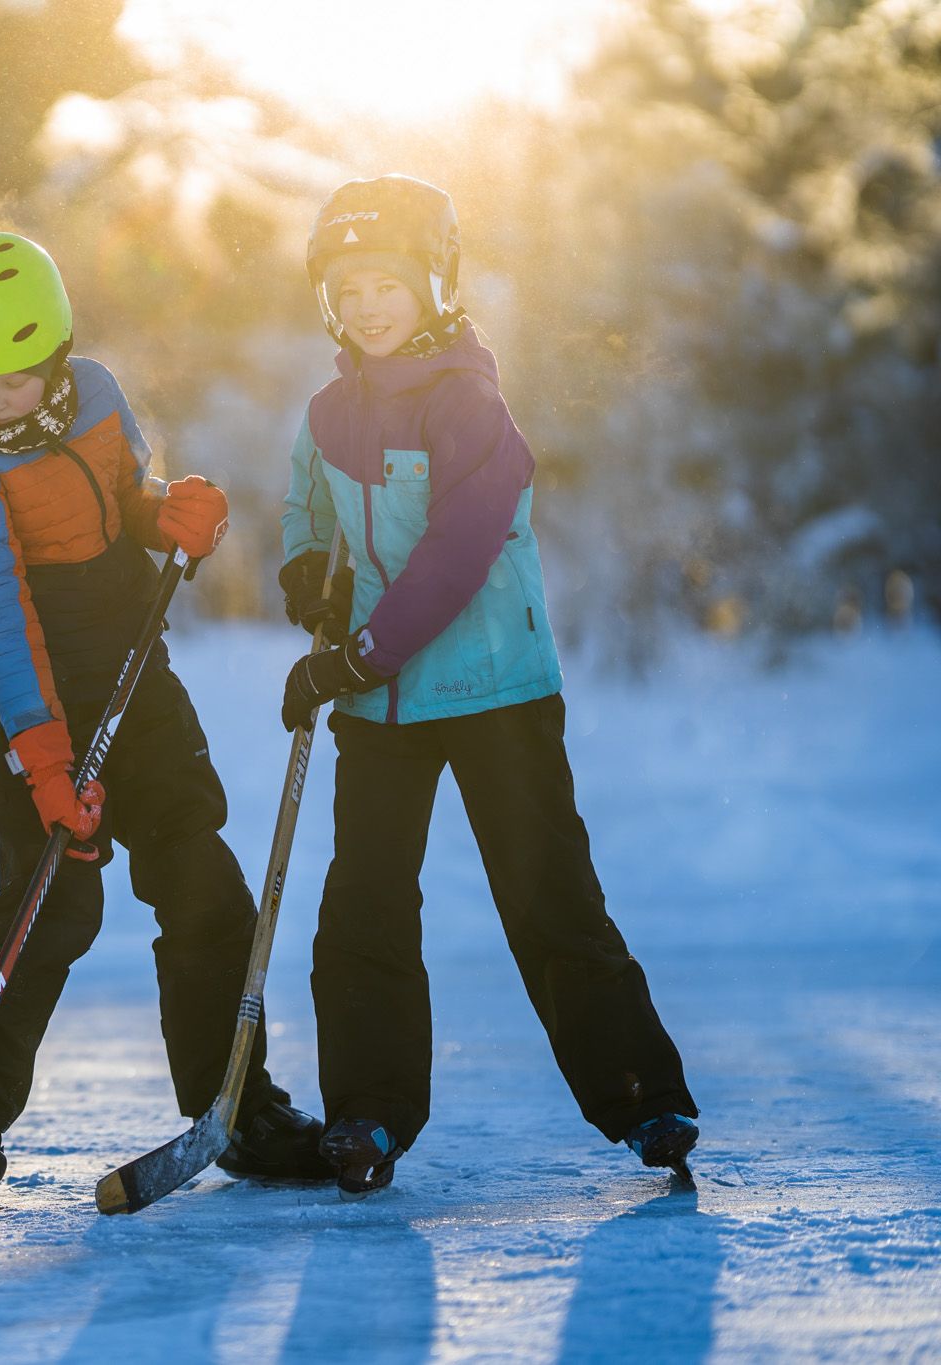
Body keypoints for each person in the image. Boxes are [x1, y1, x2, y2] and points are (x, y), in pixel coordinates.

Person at [277, 174, 700, 1196]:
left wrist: (356, 654)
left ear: (433, 284)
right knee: (361, 909)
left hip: (493, 692)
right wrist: (303, 570)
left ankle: (639, 1095)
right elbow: (304, 504)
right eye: (349, 285)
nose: (369, 303)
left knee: (547, 898)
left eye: (388, 280)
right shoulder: (329, 412)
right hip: (380, 708)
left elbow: (453, 558)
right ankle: (367, 1116)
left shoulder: (469, 404)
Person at [0, 231, 328, 1209]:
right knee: (54, 906)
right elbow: (1, 623)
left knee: (200, 878)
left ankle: (237, 1102)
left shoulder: (95, 392)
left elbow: (119, 504)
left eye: (14, 379)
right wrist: (42, 759)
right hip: (33, 699)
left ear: (54, 357)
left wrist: (165, 513)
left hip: (139, 679)